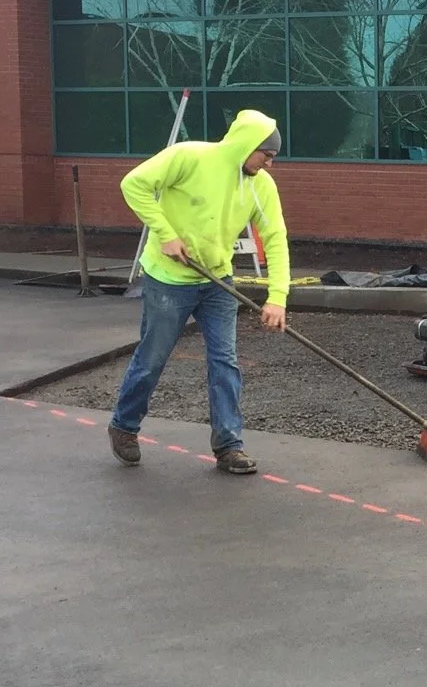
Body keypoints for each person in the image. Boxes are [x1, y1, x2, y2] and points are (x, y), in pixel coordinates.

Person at [107, 109, 291, 475]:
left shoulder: (261, 186)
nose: (269, 164)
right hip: (168, 280)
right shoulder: (188, 156)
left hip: (217, 281)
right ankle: (124, 426)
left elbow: (275, 238)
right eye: (266, 155)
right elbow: (133, 184)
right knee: (153, 357)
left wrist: (277, 297)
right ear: (246, 144)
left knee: (225, 360)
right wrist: (165, 234)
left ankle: (229, 445)